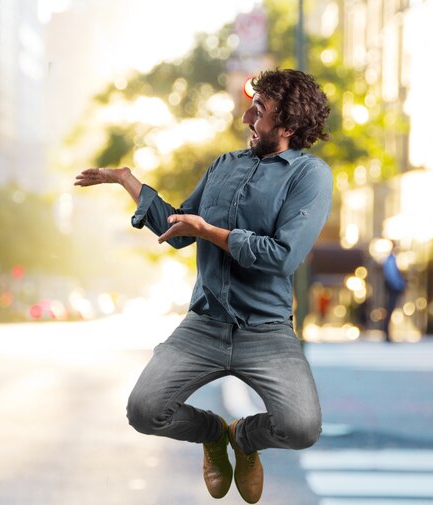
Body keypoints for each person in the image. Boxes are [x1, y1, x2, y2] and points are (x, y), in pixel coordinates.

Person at [75, 69, 333, 503]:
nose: (248, 118)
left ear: (288, 126)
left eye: (260, 111)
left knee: (302, 428)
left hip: (266, 331)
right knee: (144, 412)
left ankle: (245, 438)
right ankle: (215, 434)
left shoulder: (309, 176)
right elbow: (179, 230)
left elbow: (282, 256)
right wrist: (127, 181)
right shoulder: (224, 165)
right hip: (204, 324)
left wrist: (212, 232)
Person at [382, 249, 406, 342]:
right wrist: (400, 285)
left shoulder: (391, 260)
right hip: (393, 289)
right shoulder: (391, 260)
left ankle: (387, 332)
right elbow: (391, 276)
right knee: (390, 310)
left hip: (393, 288)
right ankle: (386, 332)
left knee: (390, 310)